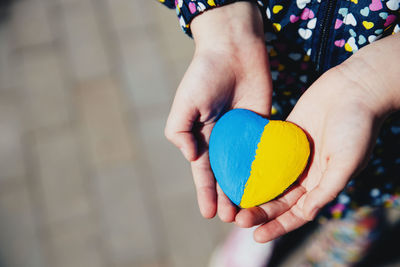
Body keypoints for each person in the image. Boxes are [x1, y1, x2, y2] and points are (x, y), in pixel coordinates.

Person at [159, 0, 400, 265]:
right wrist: (222, 20)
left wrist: (377, 80)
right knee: (293, 197)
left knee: (354, 209)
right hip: (267, 80)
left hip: (388, 139)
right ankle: (260, 207)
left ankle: (341, 244)